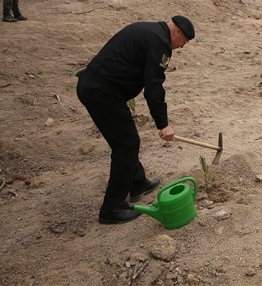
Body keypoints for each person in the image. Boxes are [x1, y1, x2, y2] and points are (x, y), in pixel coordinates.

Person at [76, 16, 195, 224]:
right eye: (184, 41)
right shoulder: (160, 43)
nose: (183, 47)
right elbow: (154, 87)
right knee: (126, 144)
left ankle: (137, 183)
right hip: (102, 93)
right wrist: (163, 124)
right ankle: (111, 209)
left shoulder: (149, 30)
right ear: (177, 32)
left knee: (126, 140)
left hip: (97, 87)